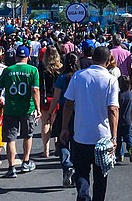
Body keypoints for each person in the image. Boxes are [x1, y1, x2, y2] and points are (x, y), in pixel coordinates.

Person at [61, 45, 119, 201]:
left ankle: (83, 196)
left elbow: (68, 104)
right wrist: (114, 136)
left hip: (81, 135)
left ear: (93, 58)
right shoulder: (111, 80)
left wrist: (64, 127)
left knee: (81, 173)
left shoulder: (78, 76)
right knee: (101, 176)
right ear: (108, 61)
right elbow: (113, 109)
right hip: (102, 137)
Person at [0, 45, 41, 178]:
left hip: (10, 108)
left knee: (10, 138)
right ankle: (26, 161)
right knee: (27, 135)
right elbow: (35, 90)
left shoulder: (8, 70)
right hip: (27, 108)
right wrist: (38, 108)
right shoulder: (33, 70)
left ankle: (11, 167)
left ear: (16, 57)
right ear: (28, 57)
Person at [50, 52, 80, 187]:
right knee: (75, 142)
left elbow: (56, 97)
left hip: (63, 110)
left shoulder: (61, 78)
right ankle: (74, 171)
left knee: (62, 142)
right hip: (78, 111)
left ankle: (67, 165)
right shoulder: (79, 77)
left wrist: (50, 112)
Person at [39, 45, 62, 157]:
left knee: (45, 123)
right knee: (55, 123)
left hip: (45, 98)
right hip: (57, 97)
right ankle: (57, 146)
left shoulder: (42, 68)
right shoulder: (60, 68)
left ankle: (46, 149)